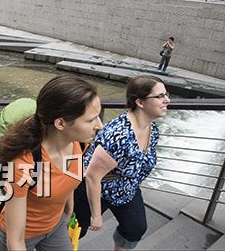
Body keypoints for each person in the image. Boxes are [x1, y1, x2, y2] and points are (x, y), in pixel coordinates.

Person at [0, 75, 103, 251]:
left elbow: (68, 175)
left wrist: (69, 206)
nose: (100, 125)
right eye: (91, 119)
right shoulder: (23, 165)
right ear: (60, 123)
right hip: (22, 236)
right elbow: (15, 240)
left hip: (55, 226)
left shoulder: (80, 143)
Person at [73, 75, 170, 251]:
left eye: (166, 94)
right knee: (76, 231)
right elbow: (93, 177)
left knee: (135, 228)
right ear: (140, 102)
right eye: (160, 96)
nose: (167, 100)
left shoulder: (152, 129)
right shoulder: (119, 136)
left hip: (126, 188)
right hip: (96, 190)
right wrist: (96, 215)